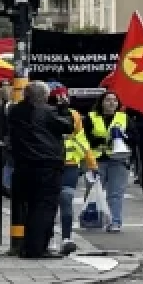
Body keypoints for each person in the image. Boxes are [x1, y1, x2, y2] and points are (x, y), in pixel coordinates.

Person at [6, 81, 75, 258]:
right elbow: (67, 126)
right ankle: (36, 248)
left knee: (29, 207)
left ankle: (27, 246)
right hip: (46, 165)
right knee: (44, 207)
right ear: (42, 96)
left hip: (23, 165)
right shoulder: (47, 111)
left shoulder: (15, 111)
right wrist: (64, 108)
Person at [49, 85, 97, 255]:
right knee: (51, 202)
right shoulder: (46, 114)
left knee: (66, 198)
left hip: (70, 164)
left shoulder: (74, 115)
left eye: (65, 97)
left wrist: (91, 163)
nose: (63, 100)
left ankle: (67, 238)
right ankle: (50, 237)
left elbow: (82, 139)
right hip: (51, 165)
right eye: (59, 98)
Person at [87, 91, 132, 232]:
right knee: (93, 192)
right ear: (101, 102)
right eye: (108, 100)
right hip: (97, 160)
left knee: (115, 193)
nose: (112, 103)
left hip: (118, 160)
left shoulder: (123, 118)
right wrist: (102, 140)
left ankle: (115, 221)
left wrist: (123, 137)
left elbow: (135, 137)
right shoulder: (91, 117)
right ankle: (93, 219)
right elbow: (84, 137)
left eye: (114, 100)